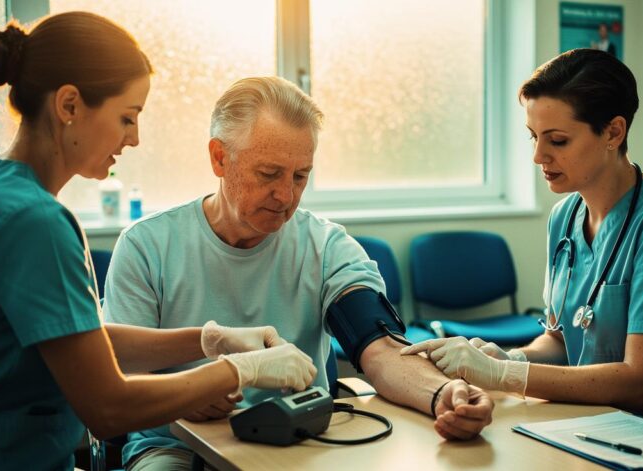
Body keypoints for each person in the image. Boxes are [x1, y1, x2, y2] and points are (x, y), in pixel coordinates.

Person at [104, 76, 495, 470]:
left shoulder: (326, 247)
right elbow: (118, 372)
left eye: (300, 176)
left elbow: (381, 350)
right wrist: (186, 395)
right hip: (175, 446)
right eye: (269, 174)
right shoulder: (146, 246)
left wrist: (443, 393)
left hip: (298, 438)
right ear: (220, 158)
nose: (286, 197)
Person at [0, 13, 317, 470]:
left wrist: (207, 340)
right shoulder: (35, 221)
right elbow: (107, 407)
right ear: (68, 106)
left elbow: (80, 341)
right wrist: (240, 370)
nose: (135, 138)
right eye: (127, 117)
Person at [402, 48, 643, 437]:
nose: (538, 156)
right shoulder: (564, 218)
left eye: (557, 140)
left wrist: (506, 374)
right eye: (534, 137)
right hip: (590, 423)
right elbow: (561, 341)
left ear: (613, 132)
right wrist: (510, 356)